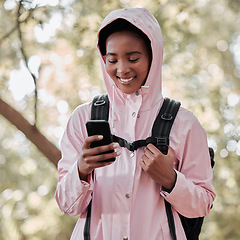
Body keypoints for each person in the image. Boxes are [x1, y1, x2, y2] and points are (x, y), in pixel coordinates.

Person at [55, 8, 216, 240]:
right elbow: (67, 206)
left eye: (133, 58)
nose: (122, 69)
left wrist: (171, 180)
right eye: (112, 60)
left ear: (154, 56)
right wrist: (81, 169)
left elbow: (203, 204)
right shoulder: (83, 118)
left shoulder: (185, 124)